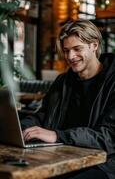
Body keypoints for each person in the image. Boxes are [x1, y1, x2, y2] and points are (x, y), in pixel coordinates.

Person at [21, 19, 115, 179]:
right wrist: (21, 128)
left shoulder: (112, 82)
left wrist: (58, 135)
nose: (71, 56)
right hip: (61, 156)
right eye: (66, 50)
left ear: (94, 45)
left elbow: (109, 137)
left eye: (77, 49)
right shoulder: (62, 81)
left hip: (103, 163)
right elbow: (43, 116)